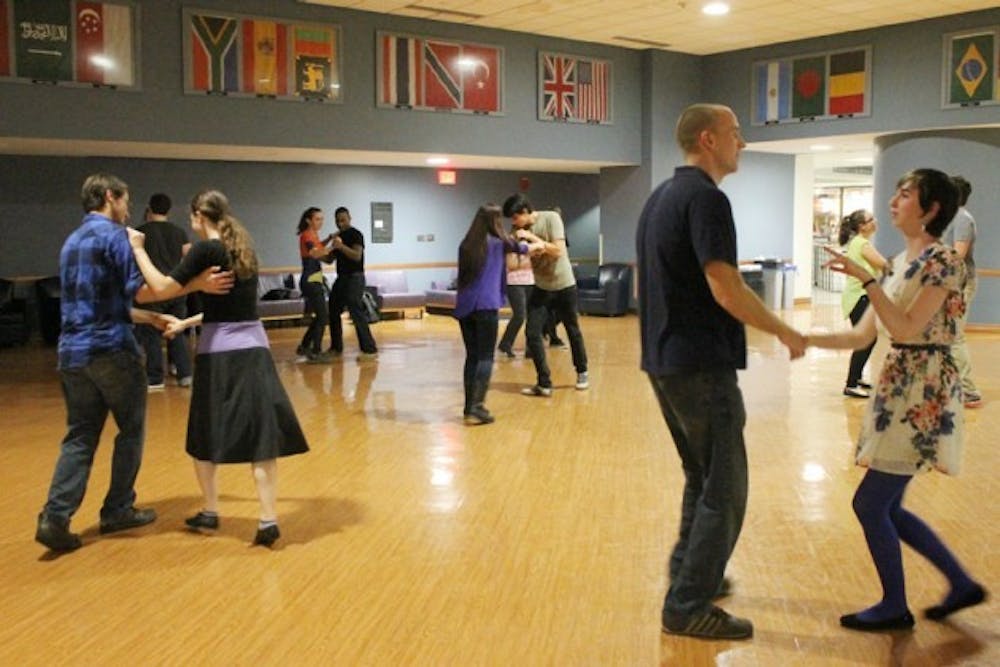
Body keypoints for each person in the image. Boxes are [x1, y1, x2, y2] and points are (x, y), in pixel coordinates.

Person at [636, 104, 806, 640]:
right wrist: (784, 329)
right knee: (726, 487)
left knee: (702, 475)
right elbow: (725, 285)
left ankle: (691, 574)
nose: (744, 143)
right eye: (736, 134)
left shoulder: (660, 197)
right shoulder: (707, 198)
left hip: (665, 361)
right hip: (700, 365)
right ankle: (688, 604)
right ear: (708, 140)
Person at [808, 168, 987, 631]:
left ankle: (894, 605)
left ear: (930, 210)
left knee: (871, 505)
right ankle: (960, 584)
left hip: (921, 391)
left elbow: (907, 327)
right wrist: (797, 336)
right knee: (887, 505)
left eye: (905, 195)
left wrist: (867, 280)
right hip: (899, 387)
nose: (893, 202)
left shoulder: (943, 262)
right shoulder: (901, 260)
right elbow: (862, 333)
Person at [35, 174, 230, 552]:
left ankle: (55, 517)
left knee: (80, 435)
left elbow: (103, 303)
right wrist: (197, 286)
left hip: (72, 354)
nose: (128, 209)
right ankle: (118, 509)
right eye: (125, 200)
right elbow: (149, 290)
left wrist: (148, 319)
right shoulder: (115, 237)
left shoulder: (72, 241)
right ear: (110, 197)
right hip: (110, 351)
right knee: (131, 429)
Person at [129, 189, 309, 547]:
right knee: (261, 436)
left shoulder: (206, 250)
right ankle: (268, 519)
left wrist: (137, 249)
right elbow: (232, 309)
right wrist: (186, 324)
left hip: (220, 356)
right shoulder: (242, 248)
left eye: (191, 216)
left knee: (204, 433)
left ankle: (211, 510)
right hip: (254, 351)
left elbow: (162, 288)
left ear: (198, 215)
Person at [502, 194, 588, 396]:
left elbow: (558, 251)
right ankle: (544, 383)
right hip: (541, 288)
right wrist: (526, 251)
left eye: (515, 218)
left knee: (572, 329)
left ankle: (582, 371)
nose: (514, 223)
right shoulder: (516, 232)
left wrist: (534, 239)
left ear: (524, 212)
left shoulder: (551, 218)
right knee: (532, 333)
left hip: (564, 285)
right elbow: (513, 264)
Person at [455, 204, 534, 424]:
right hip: (486, 307)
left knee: (472, 357)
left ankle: (469, 407)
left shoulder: (466, 245)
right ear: (495, 221)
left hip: (465, 308)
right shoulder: (500, 243)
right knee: (485, 358)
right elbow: (525, 250)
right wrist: (533, 239)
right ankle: (477, 407)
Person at [133, 193, 194, 390]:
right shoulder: (179, 232)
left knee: (151, 333)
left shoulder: (139, 233)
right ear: (168, 210)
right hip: (176, 288)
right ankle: (185, 374)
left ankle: (155, 378)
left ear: (149, 208)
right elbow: (189, 256)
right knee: (176, 330)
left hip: (150, 289)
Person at [838, 209, 887, 398]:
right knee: (865, 339)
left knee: (869, 338)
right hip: (859, 297)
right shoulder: (862, 244)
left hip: (861, 296)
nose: (875, 221)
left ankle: (856, 377)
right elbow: (883, 264)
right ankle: (850, 384)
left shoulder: (859, 243)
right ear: (862, 226)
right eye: (870, 219)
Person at [943, 176, 981, 408]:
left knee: (955, 337)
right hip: (950, 284)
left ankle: (969, 391)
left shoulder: (962, 219)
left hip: (960, 284)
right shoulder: (952, 218)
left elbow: (957, 255)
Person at [326, 206, 378, 360]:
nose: (340, 224)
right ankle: (336, 348)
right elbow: (329, 259)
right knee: (333, 309)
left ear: (349, 218)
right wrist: (316, 254)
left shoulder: (356, 235)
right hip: (342, 278)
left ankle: (369, 349)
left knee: (355, 310)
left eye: (343, 220)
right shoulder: (338, 237)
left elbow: (356, 256)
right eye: (337, 221)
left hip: (355, 277)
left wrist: (341, 246)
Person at [295, 207, 334, 363]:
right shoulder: (307, 235)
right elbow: (314, 253)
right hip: (311, 280)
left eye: (322, 219)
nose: (321, 222)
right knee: (323, 316)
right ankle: (315, 351)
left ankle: (305, 346)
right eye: (317, 219)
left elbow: (318, 247)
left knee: (320, 316)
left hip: (314, 279)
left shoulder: (313, 235)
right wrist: (332, 247)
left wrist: (328, 240)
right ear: (308, 220)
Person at [496, 226, 534, 359]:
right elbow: (511, 265)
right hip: (514, 283)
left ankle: (531, 348)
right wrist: (526, 259)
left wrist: (526, 258)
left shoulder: (531, 243)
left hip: (530, 282)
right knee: (519, 315)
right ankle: (505, 343)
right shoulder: (510, 243)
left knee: (532, 317)